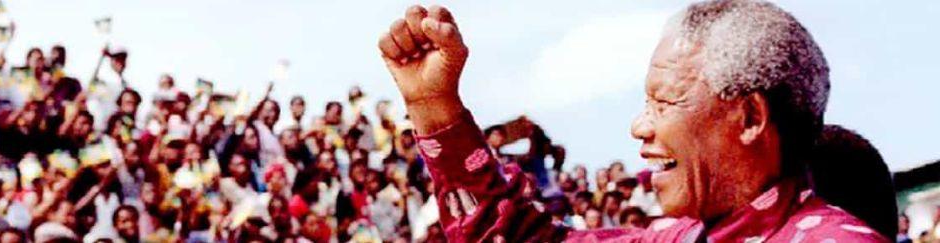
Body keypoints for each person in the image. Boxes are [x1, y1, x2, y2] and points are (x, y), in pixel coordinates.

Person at [376, 1, 886, 242]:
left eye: (663, 103)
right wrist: (433, 105)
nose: (639, 127)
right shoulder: (679, 238)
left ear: (749, 117)